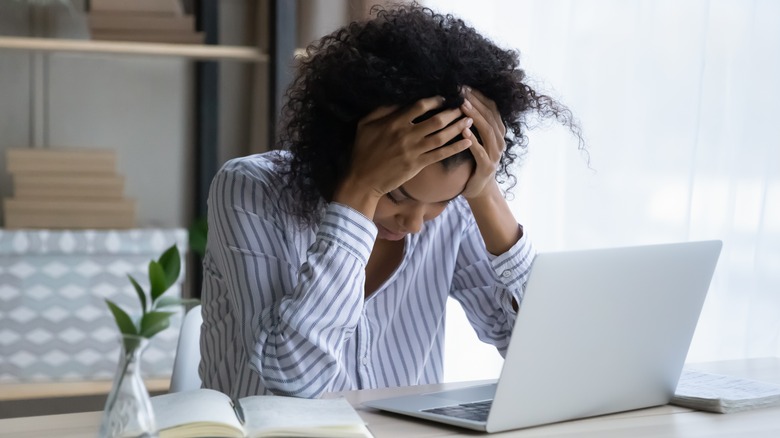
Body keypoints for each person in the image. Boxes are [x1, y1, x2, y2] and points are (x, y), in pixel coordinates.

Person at [199, 4, 580, 400]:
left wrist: (484, 194)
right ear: (347, 149)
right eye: (398, 195)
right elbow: (295, 380)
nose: (416, 223)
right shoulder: (251, 191)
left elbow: (548, 358)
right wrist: (360, 191)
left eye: (442, 201)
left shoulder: (458, 210)